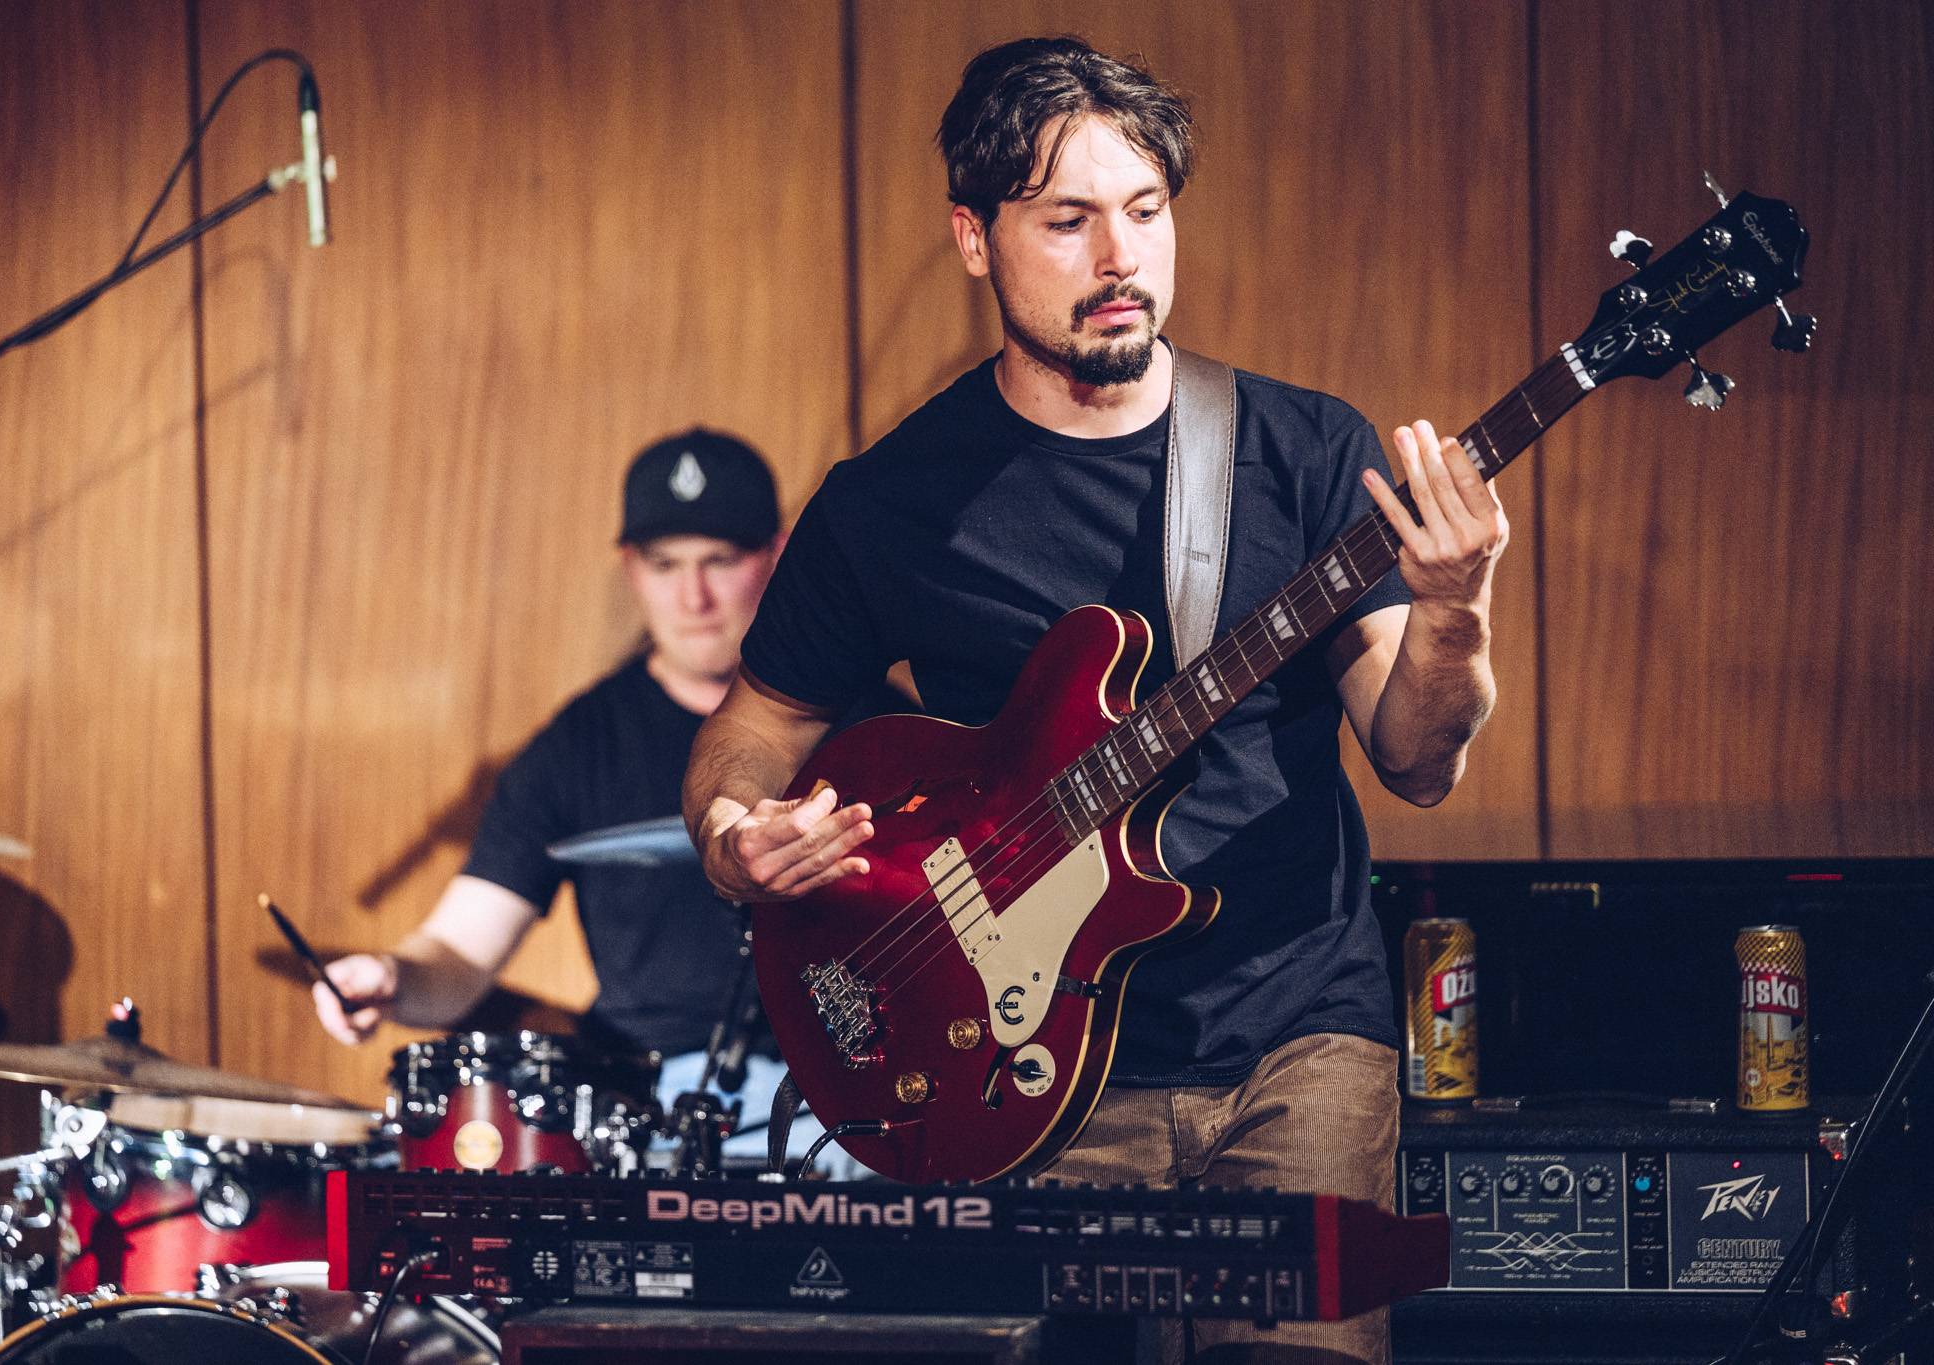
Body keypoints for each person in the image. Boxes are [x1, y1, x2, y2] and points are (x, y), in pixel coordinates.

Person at [682, 37, 1507, 1364]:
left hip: (1297, 1029)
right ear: (974, 237)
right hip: (1034, 1071)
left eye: (1144, 210)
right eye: (1067, 221)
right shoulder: (894, 502)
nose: (1118, 256)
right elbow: (751, 734)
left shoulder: (1301, 455)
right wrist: (736, 834)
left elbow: (1418, 760)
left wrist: (1455, 606)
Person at [313, 428, 842, 1171]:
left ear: (776, 555)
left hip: (849, 1096)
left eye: (720, 561)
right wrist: (393, 977)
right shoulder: (578, 744)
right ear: (631, 570)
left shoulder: (872, 724)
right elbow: (461, 951)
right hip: (648, 1105)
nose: (694, 596)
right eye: (665, 565)